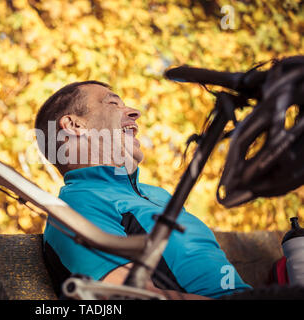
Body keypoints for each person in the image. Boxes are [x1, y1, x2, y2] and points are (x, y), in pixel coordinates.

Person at [34, 80, 251, 299]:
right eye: (113, 103)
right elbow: (133, 296)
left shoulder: (157, 194)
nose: (135, 113)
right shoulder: (79, 204)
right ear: (74, 126)